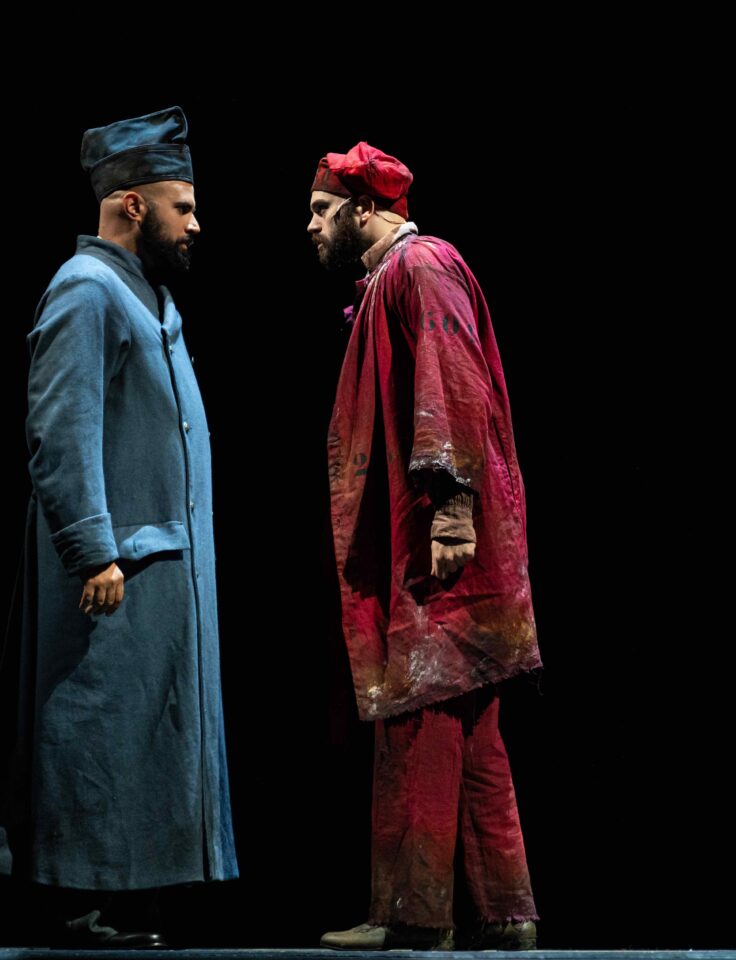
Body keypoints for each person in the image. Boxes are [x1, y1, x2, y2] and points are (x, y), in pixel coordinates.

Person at [0, 105, 238, 949]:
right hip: (114, 573)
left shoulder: (147, 298)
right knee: (93, 727)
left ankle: (122, 900)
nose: (195, 223)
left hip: (159, 573)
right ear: (132, 205)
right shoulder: (85, 291)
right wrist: (91, 548)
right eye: (181, 205)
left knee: (138, 735)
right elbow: (60, 432)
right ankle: (80, 901)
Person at [308, 142, 542, 951]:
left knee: (421, 709)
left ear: (363, 210)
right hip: (442, 530)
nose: (310, 226)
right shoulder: (390, 282)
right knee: (468, 717)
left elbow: (453, 377)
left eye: (320, 211)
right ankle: (506, 915)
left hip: (445, 537)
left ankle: (413, 916)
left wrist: (451, 513)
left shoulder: (424, 266)